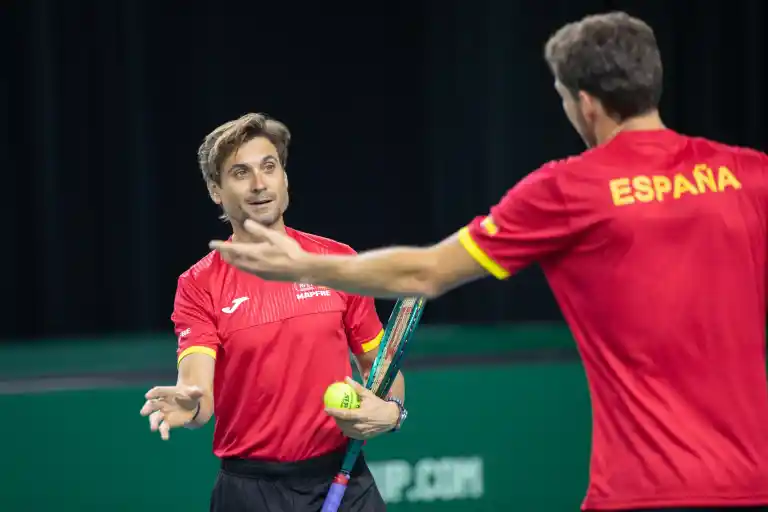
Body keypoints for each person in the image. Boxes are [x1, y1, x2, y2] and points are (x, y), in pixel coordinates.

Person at [208, 12, 768, 512]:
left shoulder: (568, 189)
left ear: (585, 104)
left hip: (641, 492)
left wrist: (304, 267)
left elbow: (425, 273)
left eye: (562, 98)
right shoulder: (752, 174)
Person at [139, 113, 407, 512]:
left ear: (284, 177)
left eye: (269, 167)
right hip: (252, 492)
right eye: (240, 172)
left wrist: (392, 412)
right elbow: (197, 390)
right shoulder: (199, 284)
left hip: (345, 478)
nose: (259, 183)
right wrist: (190, 405)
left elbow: (381, 367)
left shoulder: (336, 261)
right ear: (215, 190)